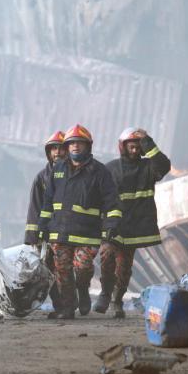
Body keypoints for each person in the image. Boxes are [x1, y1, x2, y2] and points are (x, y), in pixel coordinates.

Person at [37, 124, 120, 319]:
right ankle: (68, 307)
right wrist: (42, 227)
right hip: (60, 231)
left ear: (87, 146)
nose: (75, 147)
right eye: (71, 143)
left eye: (79, 143)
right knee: (62, 271)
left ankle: (83, 289)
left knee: (83, 268)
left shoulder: (99, 171)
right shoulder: (57, 170)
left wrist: (111, 226)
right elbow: (48, 201)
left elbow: (112, 201)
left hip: (87, 233)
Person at [96, 127, 172, 317]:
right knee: (106, 254)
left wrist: (147, 140)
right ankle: (105, 293)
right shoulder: (110, 168)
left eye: (139, 147)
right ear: (123, 147)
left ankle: (116, 302)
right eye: (132, 146)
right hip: (113, 224)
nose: (135, 150)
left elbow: (164, 165)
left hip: (134, 227)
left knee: (124, 267)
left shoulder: (149, 168)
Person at [25, 131, 67, 317]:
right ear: (48, 152)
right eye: (53, 148)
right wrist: (33, 237)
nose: (57, 152)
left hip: (70, 232)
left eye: (61, 148)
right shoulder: (41, 178)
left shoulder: (75, 175)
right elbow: (35, 209)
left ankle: (70, 303)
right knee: (49, 271)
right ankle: (60, 307)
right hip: (48, 234)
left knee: (68, 270)